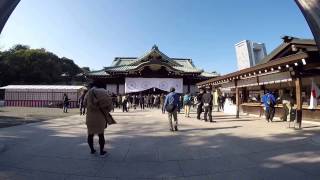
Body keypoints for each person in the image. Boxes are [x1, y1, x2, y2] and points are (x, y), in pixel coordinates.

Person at [83, 82, 113, 156]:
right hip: (100, 117)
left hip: (90, 117)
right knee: (101, 135)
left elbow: (84, 103)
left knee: (90, 134)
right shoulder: (103, 92)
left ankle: (92, 150)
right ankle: (101, 152)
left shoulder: (88, 93)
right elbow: (110, 105)